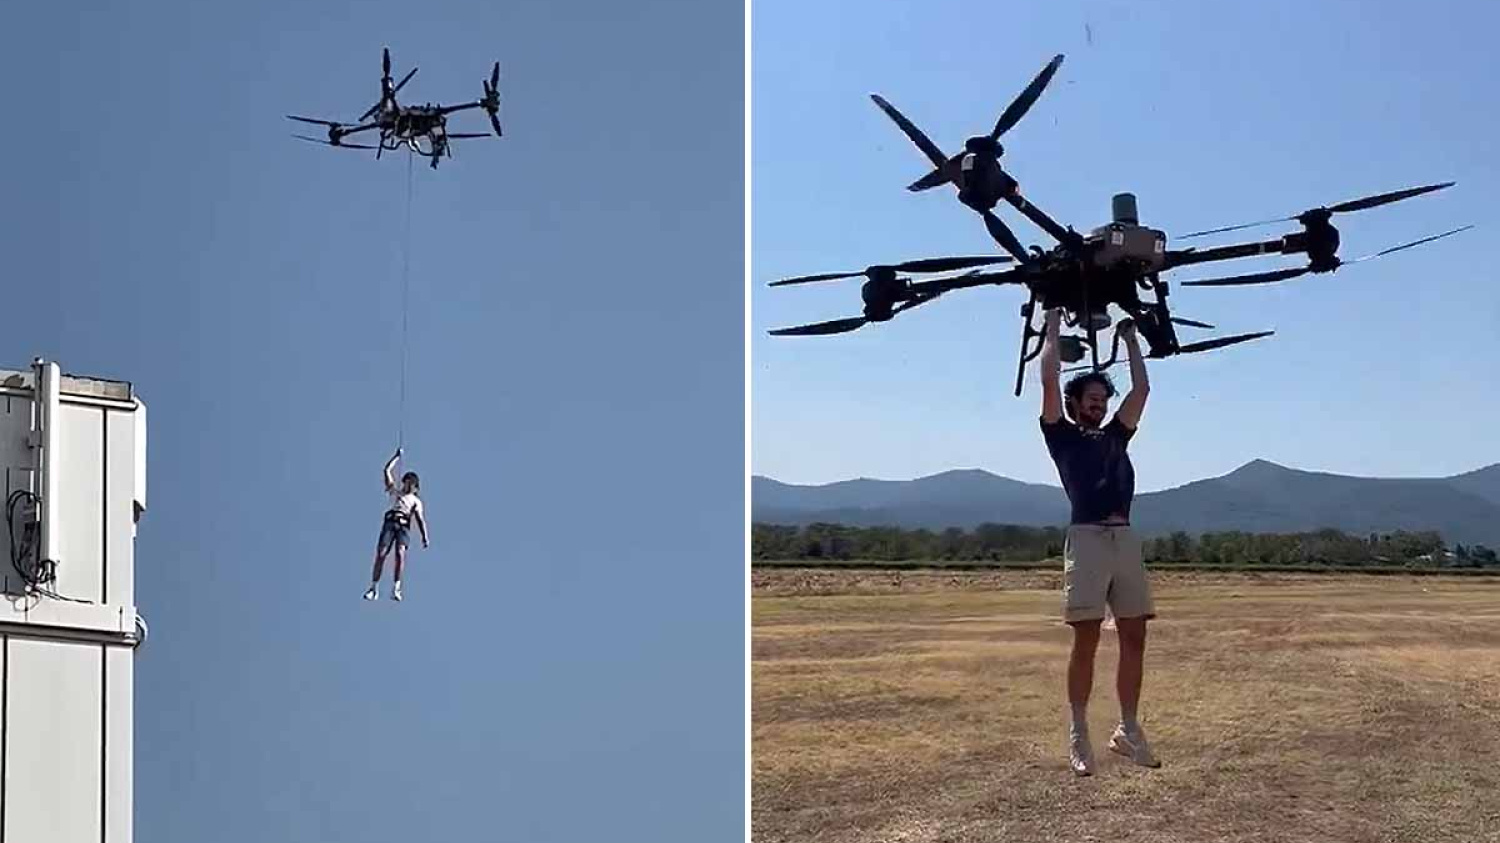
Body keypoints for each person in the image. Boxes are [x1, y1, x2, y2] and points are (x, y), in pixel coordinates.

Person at [1038, 307, 1160, 776]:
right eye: (1090, 399)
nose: (1098, 405)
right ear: (1072, 403)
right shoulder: (1060, 436)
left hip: (1124, 537)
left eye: (1101, 400)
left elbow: (1142, 390)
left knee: (1135, 636)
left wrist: (1130, 340)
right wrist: (1051, 323)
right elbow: (1049, 379)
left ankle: (1127, 730)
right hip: (1087, 537)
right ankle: (1079, 732)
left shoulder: (1115, 437)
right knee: (1086, 639)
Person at [363, 447, 429, 602]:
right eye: (405, 482)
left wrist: (424, 536)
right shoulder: (395, 492)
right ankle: (374, 588)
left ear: (415, 487)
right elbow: (386, 470)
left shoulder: (416, 501)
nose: (407, 485)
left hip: (403, 525)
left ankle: (396, 588)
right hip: (390, 522)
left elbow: (420, 519)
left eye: (410, 483)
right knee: (381, 554)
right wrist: (396, 457)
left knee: (400, 553)